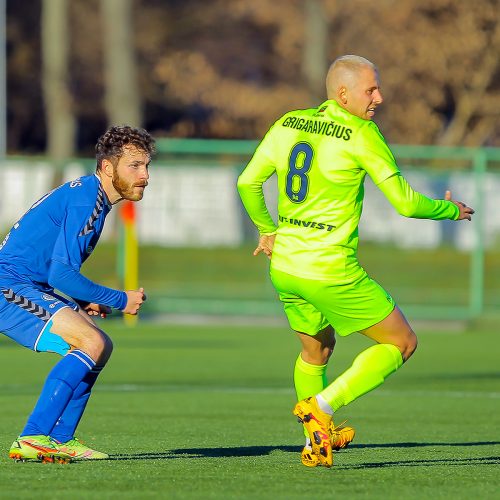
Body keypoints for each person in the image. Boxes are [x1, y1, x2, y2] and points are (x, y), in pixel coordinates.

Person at [237, 55, 474, 468]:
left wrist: (266, 228)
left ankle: (315, 441)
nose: (379, 97)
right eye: (371, 89)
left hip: (286, 268)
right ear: (343, 93)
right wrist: (449, 210)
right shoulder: (361, 133)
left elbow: (247, 181)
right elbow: (405, 202)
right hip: (329, 269)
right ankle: (323, 408)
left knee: (316, 352)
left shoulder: (289, 122)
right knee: (402, 342)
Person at [1, 125, 155, 462]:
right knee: (92, 343)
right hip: (9, 287)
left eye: (146, 166)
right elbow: (62, 274)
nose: (144, 176)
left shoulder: (91, 197)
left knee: (100, 345)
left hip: (27, 284)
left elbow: (54, 268)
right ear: (107, 167)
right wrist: (120, 300)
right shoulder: (88, 200)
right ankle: (33, 436)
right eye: (135, 166)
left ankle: (60, 438)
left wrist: (84, 300)